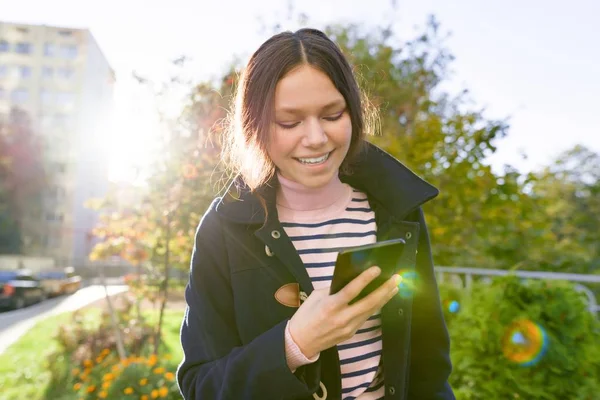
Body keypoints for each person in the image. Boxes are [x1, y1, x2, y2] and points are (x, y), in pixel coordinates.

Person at [177, 28, 455, 400]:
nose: (315, 138)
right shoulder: (224, 229)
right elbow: (201, 386)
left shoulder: (396, 212)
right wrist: (293, 344)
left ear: (353, 112)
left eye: (332, 114)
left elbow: (428, 369)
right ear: (254, 126)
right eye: (289, 122)